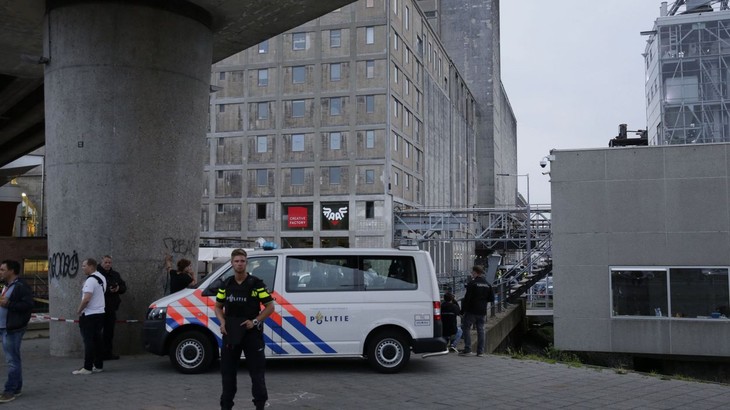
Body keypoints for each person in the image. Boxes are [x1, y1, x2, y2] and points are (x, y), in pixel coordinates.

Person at [215, 249, 275, 410]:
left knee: (257, 374)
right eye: (236, 261)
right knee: (227, 375)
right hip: (230, 334)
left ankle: (260, 406)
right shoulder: (226, 284)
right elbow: (218, 307)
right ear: (231, 263)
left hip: (251, 335)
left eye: (242, 261)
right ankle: (226, 406)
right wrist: (222, 322)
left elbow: (270, 307)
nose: (239, 264)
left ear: (246, 263)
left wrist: (255, 321)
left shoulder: (256, 284)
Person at [0, 260, 34, 403]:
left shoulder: (21, 286)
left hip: (13, 329)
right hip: (4, 327)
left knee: (12, 360)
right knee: (14, 358)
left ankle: (10, 390)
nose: (0, 272)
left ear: (11, 271)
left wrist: (9, 304)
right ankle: (17, 388)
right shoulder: (7, 285)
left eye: (2, 269)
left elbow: (28, 305)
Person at [73, 258, 107, 375]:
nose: (82, 268)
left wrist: (79, 310)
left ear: (91, 266)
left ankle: (87, 367)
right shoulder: (101, 278)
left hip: (89, 315)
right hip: (100, 313)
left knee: (88, 341)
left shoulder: (90, 281)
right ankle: (98, 365)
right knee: (97, 340)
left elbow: (87, 298)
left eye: (84, 266)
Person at [459, 265, 493, 357]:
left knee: (466, 328)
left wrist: (462, 311)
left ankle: (468, 349)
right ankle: (480, 351)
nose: (471, 274)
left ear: (475, 272)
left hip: (471, 310)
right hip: (482, 311)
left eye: (472, 272)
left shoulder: (472, 284)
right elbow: (491, 298)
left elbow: (467, 299)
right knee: (481, 330)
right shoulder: (487, 284)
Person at [97, 255, 127, 360]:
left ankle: (107, 353)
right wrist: (109, 290)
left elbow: (124, 287)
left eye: (109, 262)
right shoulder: (97, 275)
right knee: (98, 332)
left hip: (111, 307)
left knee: (109, 332)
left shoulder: (115, 274)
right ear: (101, 263)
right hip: (99, 308)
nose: (108, 264)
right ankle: (98, 353)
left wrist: (118, 288)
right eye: (106, 262)